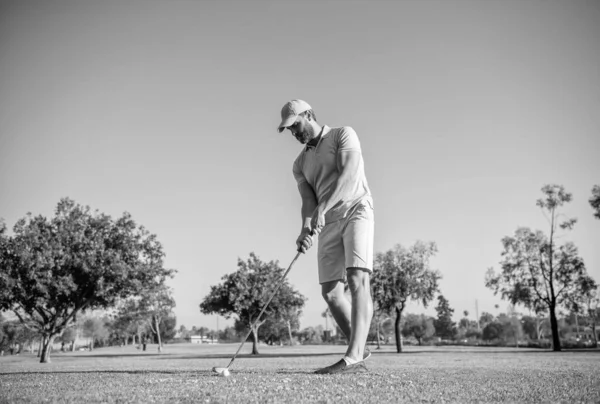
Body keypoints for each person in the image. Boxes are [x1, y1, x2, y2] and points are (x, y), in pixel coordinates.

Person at [277, 99, 375, 374]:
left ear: (308, 115)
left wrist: (323, 208)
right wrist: (304, 229)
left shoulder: (343, 134)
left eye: (295, 125)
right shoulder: (299, 164)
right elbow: (308, 201)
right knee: (331, 293)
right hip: (327, 221)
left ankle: (353, 356)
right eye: (289, 130)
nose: (294, 133)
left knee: (357, 278)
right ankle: (360, 351)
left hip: (356, 210)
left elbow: (348, 175)